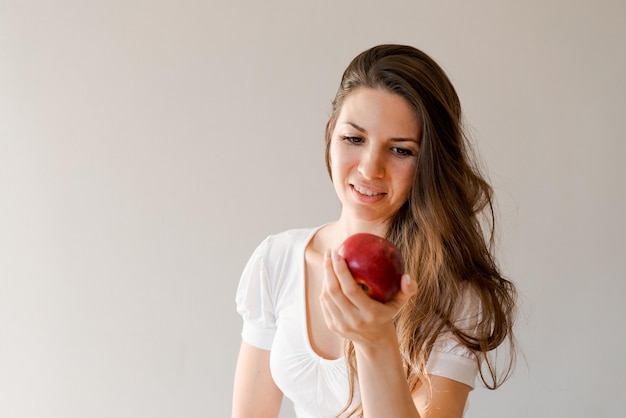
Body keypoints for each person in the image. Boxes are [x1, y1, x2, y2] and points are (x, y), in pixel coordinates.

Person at [231, 44, 516, 418]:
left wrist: (376, 342)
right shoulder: (278, 259)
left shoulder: (453, 294)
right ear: (331, 134)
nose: (370, 169)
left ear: (429, 162)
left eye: (400, 150)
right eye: (354, 139)